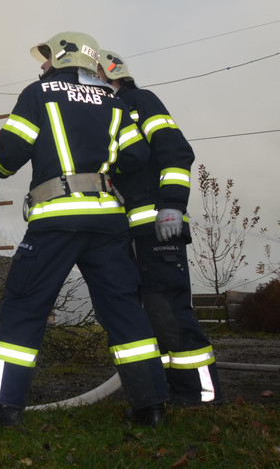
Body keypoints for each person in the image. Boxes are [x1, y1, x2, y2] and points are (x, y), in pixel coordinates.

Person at [0, 31, 170, 427]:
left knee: (24, 307)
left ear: (61, 56)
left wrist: (11, 143)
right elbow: (135, 155)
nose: (41, 65)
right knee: (124, 309)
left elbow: (6, 162)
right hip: (107, 221)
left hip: (56, 220)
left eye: (45, 58)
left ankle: (3, 408)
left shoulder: (37, 94)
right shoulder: (113, 101)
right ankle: (151, 407)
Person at [99, 49, 220, 405]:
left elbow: (176, 152)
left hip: (158, 228)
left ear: (109, 74)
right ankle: (164, 389)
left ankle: (201, 394)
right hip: (125, 235)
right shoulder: (103, 113)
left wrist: (171, 205)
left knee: (167, 311)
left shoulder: (139, 101)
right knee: (144, 317)